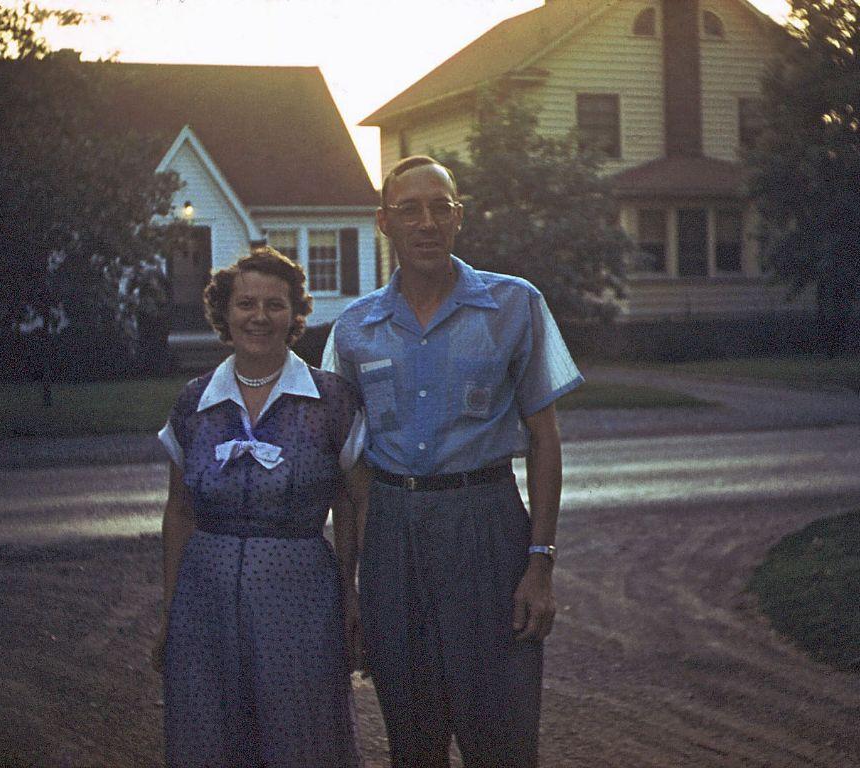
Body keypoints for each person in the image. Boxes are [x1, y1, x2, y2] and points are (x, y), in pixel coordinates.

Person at [322, 155, 584, 767]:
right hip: (391, 529)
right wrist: (352, 585)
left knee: (502, 734)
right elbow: (349, 466)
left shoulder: (514, 305)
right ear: (383, 222)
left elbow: (545, 438)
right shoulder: (354, 330)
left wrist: (540, 563)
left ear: (459, 217)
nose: (427, 222)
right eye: (409, 209)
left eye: (441, 207)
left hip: (486, 522)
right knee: (413, 740)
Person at [152, 246, 366, 767]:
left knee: (301, 732)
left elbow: (356, 504)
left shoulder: (332, 399)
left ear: (296, 315)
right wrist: (170, 608)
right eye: (246, 303)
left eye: (276, 304)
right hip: (205, 595)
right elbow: (179, 509)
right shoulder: (194, 400)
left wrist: (350, 593)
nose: (260, 316)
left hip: (301, 592)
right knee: (209, 732)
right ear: (224, 312)